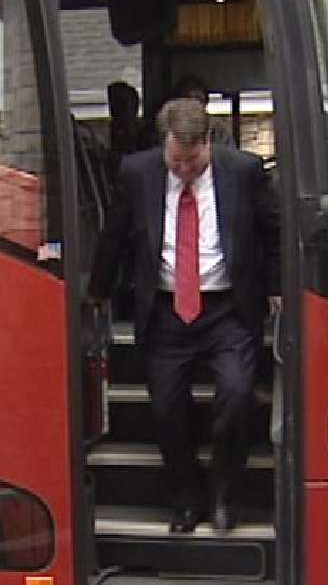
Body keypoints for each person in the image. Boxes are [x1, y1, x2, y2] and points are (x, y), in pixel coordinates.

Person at [88, 97, 280, 534]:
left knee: (235, 397)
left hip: (227, 309)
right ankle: (185, 500)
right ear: (163, 147)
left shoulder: (244, 171)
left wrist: (274, 286)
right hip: (165, 310)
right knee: (166, 410)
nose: (185, 170)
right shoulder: (137, 173)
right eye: (176, 161)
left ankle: (224, 496)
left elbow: (275, 231)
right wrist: (97, 292)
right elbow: (114, 235)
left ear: (208, 145)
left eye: (193, 161)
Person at [168, 74, 235, 148]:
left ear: (206, 104)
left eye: (198, 100)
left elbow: (229, 156)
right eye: (188, 100)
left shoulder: (219, 130)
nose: (193, 106)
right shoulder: (166, 127)